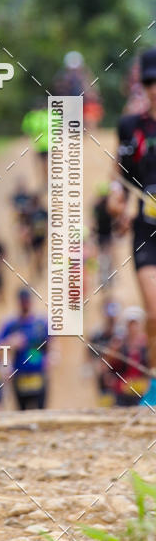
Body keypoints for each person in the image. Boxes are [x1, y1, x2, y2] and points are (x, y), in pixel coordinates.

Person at [108, 48, 156, 378]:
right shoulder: (130, 127)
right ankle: (154, 377)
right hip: (146, 232)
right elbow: (119, 178)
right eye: (150, 81)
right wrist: (118, 204)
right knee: (155, 311)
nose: (155, 88)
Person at [0, 288, 49, 410]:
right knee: (22, 412)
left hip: (38, 374)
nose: (25, 304)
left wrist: (50, 358)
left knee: (41, 412)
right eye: (22, 301)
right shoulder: (11, 325)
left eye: (27, 301)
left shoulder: (41, 324)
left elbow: (51, 344)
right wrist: (11, 343)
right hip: (20, 375)